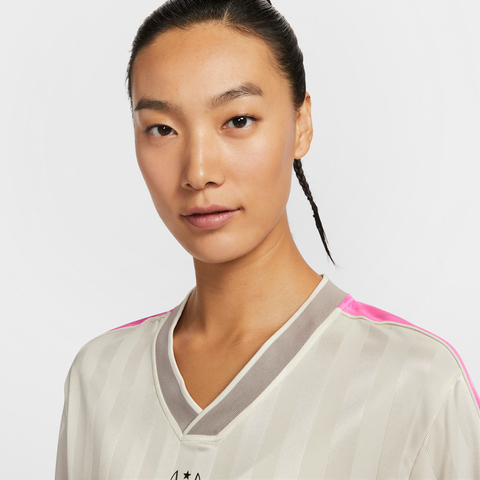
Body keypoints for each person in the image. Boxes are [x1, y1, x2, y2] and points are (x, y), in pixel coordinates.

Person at [55, 0, 480, 478]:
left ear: (302, 125)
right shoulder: (99, 377)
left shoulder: (420, 385)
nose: (198, 171)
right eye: (162, 128)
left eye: (238, 120)